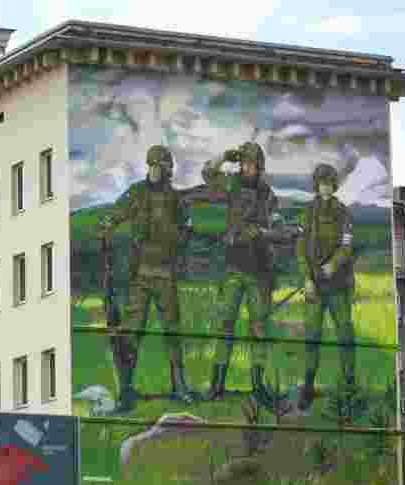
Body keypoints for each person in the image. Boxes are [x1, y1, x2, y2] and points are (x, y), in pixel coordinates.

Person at [99, 145, 194, 413]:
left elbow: (188, 231)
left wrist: (175, 239)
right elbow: (116, 213)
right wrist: (106, 226)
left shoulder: (176, 199)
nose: (154, 170)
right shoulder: (137, 193)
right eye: (151, 165)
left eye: (159, 166)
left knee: (172, 332)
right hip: (140, 275)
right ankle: (126, 391)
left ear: (167, 170)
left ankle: (179, 387)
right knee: (131, 333)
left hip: (165, 274)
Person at [201, 142, 284, 407]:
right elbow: (207, 173)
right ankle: (217, 385)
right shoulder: (231, 184)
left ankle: (258, 386)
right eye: (246, 163)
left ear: (260, 167)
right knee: (225, 325)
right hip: (233, 268)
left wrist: (261, 233)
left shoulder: (267, 194)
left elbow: (280, 229)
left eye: (254, 164)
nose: (249, 168)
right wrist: (224, 155)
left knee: (259, 329)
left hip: (259, 271)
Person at [297, 163, 355, 415]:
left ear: (334, 185)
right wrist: (307, 279)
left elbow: (347, 245)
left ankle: (349, 387)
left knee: (345, 335)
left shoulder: (343, 212)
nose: (325, 187)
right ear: (316, 184)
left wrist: (333, 265)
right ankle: (308, 387)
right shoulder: (307, 212)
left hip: (338, 286)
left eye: (330, 183)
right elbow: (300, 249)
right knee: (312, 337)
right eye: (322, 182)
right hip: (315, 288)